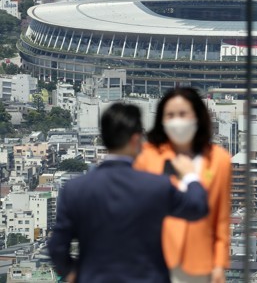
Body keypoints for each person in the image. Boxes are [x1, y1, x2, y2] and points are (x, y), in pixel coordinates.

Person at [48, 103, 209, 283]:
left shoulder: (74, 190)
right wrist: (190, 175)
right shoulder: (156, 186)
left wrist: (73, 273)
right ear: (135, 139)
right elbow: (197, 207)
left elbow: (57, 247)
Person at [134, 87, 232, 283]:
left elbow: (220, 217)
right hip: (155, 257)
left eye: (182, 114)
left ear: (197, 116)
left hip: (199, 261)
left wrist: (220, 264)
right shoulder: (148, 156)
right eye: (170, 115)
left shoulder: (219, 159)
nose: (176, 120)